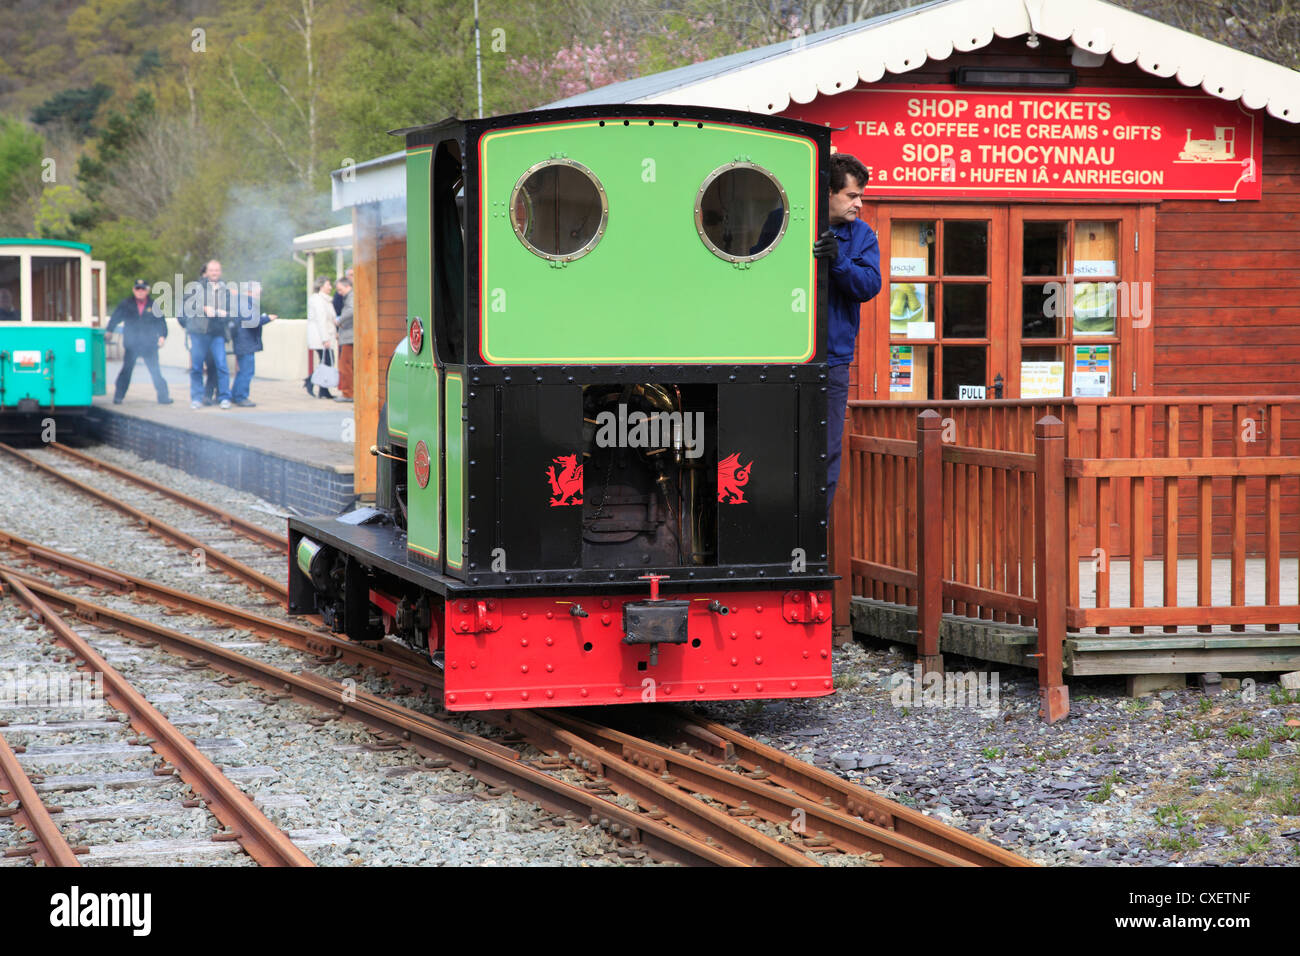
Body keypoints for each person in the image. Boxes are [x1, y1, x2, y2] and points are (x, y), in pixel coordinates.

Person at [813, 153, 881, 514]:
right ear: (828, 193)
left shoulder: (863, 234)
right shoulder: (786, 221)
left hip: (833, 361)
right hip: (780, 356)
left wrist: (838, 259)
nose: (859, 202)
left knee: (826, 450)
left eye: (860, 195)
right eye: (852, 195)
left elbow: (869, 285)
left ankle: (813, 540)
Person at [106, 279, 172, 404]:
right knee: (127, 370)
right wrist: (109, 330)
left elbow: (161, 322)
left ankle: (164, 397)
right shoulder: (126, 304)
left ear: (147, 290)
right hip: (132, 344)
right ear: (134, 290)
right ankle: (118, 396)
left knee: (155, 370)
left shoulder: (154, 305)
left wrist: (162, 336)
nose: (140, 291)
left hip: (149, 344)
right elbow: (115, 317)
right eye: (138, 289)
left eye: (143, 289)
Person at [185, 258, 233, 409]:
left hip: (217, 334)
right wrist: (204, 308)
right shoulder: (195, 287)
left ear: (220, 272)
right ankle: (196, 398)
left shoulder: (225, 289)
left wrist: (225, 313)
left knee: (222, 366)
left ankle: (224, 397)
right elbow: (187, 305)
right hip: (199, 333)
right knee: (197, 367)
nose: (215, 273)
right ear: (206, 272)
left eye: (217, 270)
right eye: (212, 270)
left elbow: (232, 311)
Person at [231, 280, 276, 407]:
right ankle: (241, 397)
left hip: (243, 340)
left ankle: (235, 395)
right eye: (258, 289)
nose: (260, 291)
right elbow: (251, 321)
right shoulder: (246, 302)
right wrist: (267, 318)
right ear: (251, 290)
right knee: (247, 371)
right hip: (245, 341)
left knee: (242, 371)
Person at [305, 275, 336, 399]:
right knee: (327, 361)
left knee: (326, 361)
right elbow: (321, 320)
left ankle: (323, 389)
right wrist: (325, 339)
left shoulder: (325, 300)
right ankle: (310, 381)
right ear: (321, 286)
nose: (330, 287)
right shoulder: (317, 299)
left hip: (325, 336)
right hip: (320, 337)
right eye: (328, 284)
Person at [333, 274, 354, 402]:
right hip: (350, 335)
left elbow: (351, 310)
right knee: (349, 365)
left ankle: (348, 393)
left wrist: (340, 320)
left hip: (349, 336)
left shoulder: (351, 297)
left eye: (340, 290)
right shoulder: (350, 296)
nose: (339, 293)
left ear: (347, 286)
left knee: (345, 365)